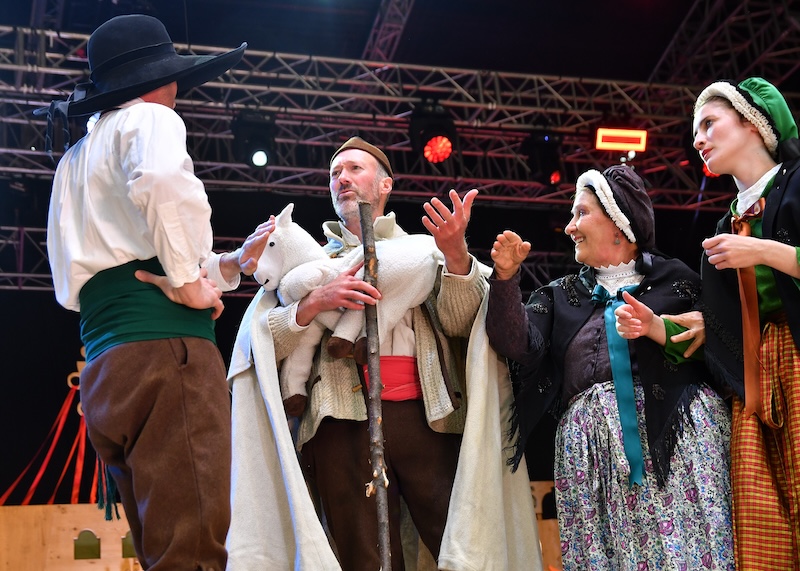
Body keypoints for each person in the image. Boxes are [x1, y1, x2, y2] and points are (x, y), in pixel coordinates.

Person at [233, 136, 540, 571]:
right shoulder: (306, 265)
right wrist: (314, 302)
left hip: (426, 417)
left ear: (385, 185)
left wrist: (456, 256)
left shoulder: (423, 251)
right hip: (339, 422)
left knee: (462, 544)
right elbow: (266, 345)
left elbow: (461, 322)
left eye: (354, 169)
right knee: (365, 558)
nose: (342, 178)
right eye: (335, 173)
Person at [44, 14, 253, 570]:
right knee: (192, 554)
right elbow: (160, 183)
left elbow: (102, 267)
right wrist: (185, 282)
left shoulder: (73, 160)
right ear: (162, 78)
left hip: (107, 368)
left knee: (164, 553)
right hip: (165, 354)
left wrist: (222, 267)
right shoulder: (151, 118)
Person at [485, 164, 734, 570]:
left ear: (620, 224)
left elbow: (723, 344)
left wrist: (693, 326)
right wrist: (506, 278)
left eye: (581, 213)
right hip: (592, 454)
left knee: (685, 551)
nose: (570, 227)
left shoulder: (679, 281)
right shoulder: (562, 295)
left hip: (678, 446)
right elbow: (516, 344)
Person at [685, 77, 800, 569]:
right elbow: (734, 315)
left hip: (796, 356)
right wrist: (697, 324)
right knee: (761, 519)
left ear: (753, 123)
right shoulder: (726, 225)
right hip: (752, 375)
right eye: (696, 131)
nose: (698, 140)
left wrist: (763, 251)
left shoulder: (797, 185)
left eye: (709, 123)